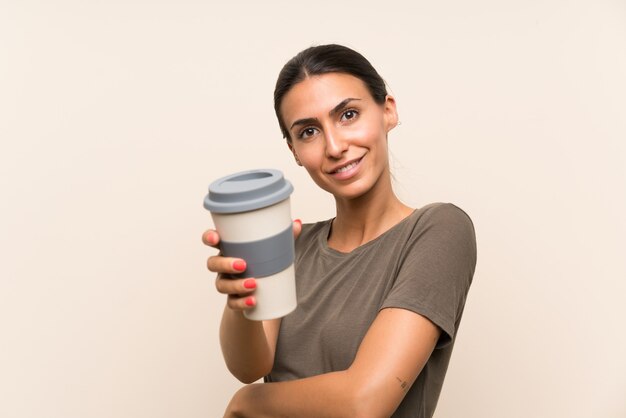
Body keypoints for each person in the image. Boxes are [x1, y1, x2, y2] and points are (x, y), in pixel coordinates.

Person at [203, 44, 477, 418]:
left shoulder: (438, 230)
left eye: (348, 114)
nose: (335, 146)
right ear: (295, 151)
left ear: (387, 110)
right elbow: (249, 367)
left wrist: (245, 403)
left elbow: (364, 402)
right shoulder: (292, 246)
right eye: (309, 131)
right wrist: (241, 301)